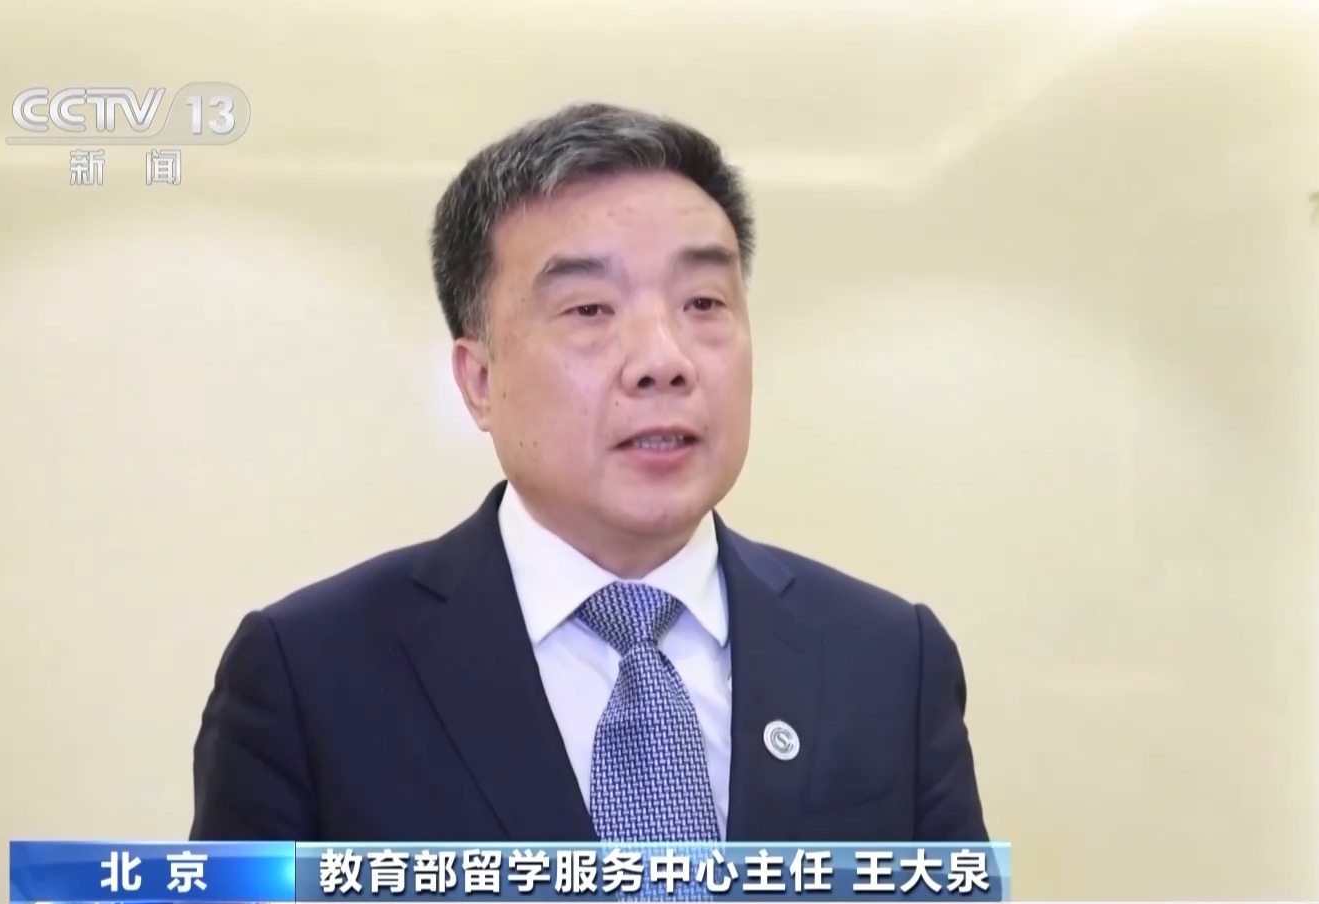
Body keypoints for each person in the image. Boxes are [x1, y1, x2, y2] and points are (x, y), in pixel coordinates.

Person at [189, 102, 987, 844]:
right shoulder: (309, 674)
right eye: (589, 310)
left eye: (704, 302)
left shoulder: (890, 660)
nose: (663, 360)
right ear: (479, 380)